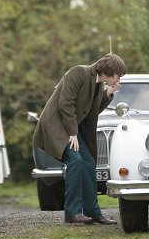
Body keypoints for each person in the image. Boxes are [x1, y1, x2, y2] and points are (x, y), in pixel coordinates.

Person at [33, 53, 126, 224]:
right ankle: (72, 213)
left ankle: (93, 212)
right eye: (119, 75)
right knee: (75, 161)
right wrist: (73, 133)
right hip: (56, 126)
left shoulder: (98, 85)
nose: (119, 79)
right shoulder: (78, 72)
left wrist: (108, 93)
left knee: (88, 163)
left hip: (70, 128)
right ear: (111, 71)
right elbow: (65, 104)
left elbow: (92, 112)